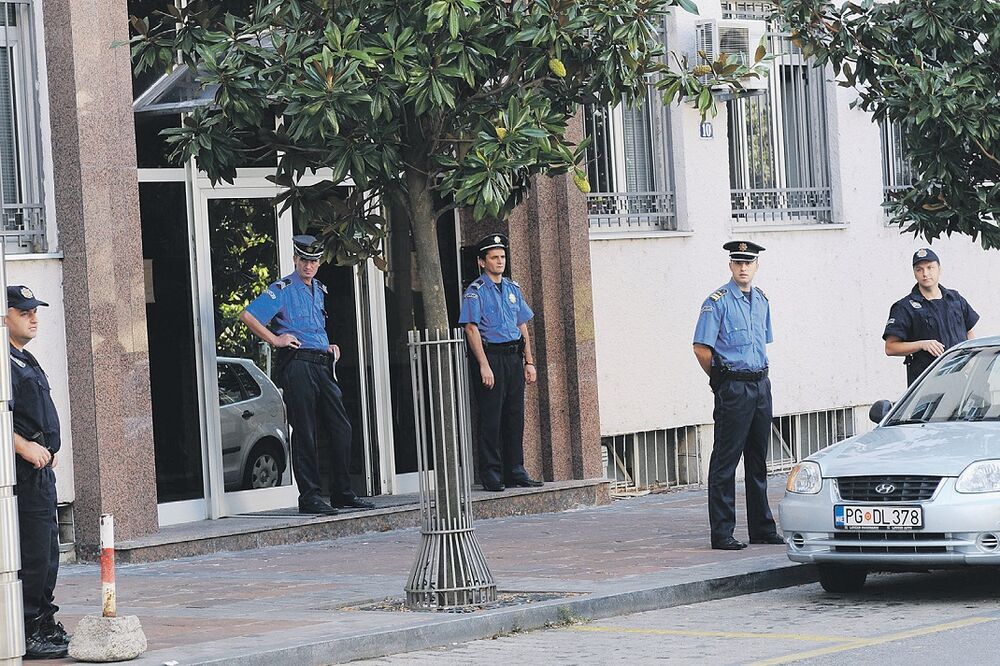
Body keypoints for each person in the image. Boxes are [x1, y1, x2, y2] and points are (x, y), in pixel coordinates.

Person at [239, 235, 375, 515]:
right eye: (304, 260)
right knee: (306, 430)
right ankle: (310, 496)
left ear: (319, 262)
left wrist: (328, 345)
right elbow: (248, 316)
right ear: (295, 260)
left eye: (314, 261)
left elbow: (314, 327)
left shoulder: (320, 289)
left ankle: (342, 492)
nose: (309, 266)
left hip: (321, 362)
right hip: (298, 363)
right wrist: (275, 340)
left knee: (342, 427)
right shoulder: (283, 288)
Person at [692, 242, 783, 551]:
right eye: (737, 263)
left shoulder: (761, 300)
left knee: (757, 461)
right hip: (734, 387)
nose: (743, 268)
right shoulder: (717, 302)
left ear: (756, 266)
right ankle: (722, 532)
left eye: (749, 262)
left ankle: (762, 528)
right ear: (730, 266)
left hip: (760, 385)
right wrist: (720, 380)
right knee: (725, 462)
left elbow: (763, 342)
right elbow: (701, 348)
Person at [8, 285, 70, 658]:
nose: (33, 318)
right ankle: (28, 629)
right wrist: (25, 446)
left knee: (47, 552)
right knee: (32, 554)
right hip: (21, 472)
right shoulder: (2, 359)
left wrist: (48, 445)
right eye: (24, 311)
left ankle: (44, 622)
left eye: (35, 311)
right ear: (4, 317)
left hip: (41, 472)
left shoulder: (25, 359)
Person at [459, 233, 544, 492]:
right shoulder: (475, 292)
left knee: (514, 416)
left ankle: (515, 470)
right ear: (482, 262)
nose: (500, 261)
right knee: (491, 418)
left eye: (502, 257)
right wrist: (484, 364)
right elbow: (471, 329)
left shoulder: (512, 289)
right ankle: (492, 473)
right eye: (494, 257)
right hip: (491, 357)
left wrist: (529, 361)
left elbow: (522, 326)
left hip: (513, 358)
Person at [883, 248, 979, 386]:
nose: (925, 274)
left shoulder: (955, 299)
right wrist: (922, 344)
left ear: (939, 269)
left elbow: (969, 332)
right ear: (914, 273)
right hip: (928, 385)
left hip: (963, 380)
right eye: (919, 269)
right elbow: (890, 347)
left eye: (930, 267)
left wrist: (973, 362)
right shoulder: (904, 307)